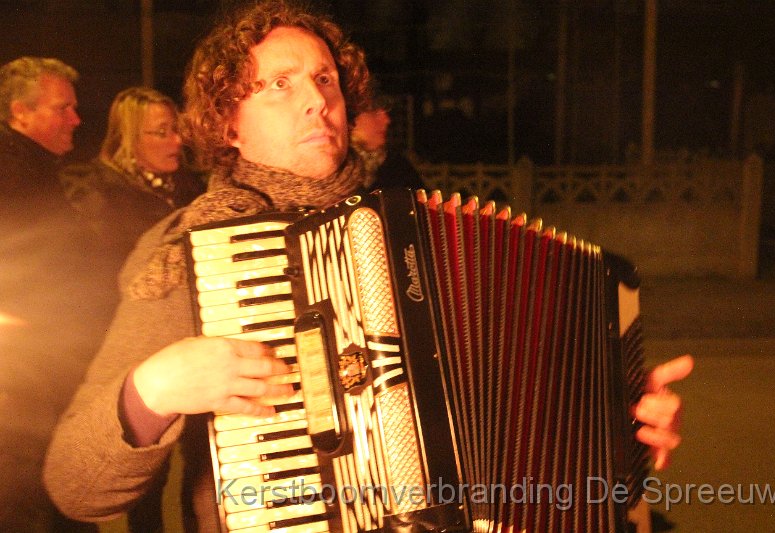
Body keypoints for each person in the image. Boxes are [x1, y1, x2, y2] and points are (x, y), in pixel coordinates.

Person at [43, 1, 693, 530]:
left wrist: (620, 422)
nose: (314, 100)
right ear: (227, 122)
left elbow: (520, 394)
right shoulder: (194, 250)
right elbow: (76, 485)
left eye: (325, 79)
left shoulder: (410, 225)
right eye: (278, 84)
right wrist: (151, 389)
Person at [0, 56, 108, 531]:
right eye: (62, 108)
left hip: (46, 362)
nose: (76, 120)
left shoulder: (38, 168)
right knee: (33, 490)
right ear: (20, 113)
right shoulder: (10, 168)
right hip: (26, 372)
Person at [60, 86, 206, 277]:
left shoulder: (192, 187)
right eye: (162, 132)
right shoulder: (98, 193)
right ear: (128, 137)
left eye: (176, 129)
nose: (177, 140)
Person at [351, 93, 426, 191]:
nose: (387, 120)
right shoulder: (333, 171)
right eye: (374, 112)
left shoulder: (399, 169)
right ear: (350, 118)